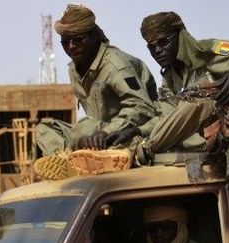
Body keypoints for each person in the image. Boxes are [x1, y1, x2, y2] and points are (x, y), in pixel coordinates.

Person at [107, 11, 229, 164]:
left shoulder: (209, 52)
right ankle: (137, 148)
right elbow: (167, 117)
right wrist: (137, 130)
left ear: (181, 37)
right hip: (193, 145)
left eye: (163, 42)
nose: (157, 50)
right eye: (151, 47)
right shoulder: (170, 78)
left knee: (199, 100)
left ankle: (142, 150)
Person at [34, 4, 158, 180]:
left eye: (77, 39)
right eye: (65, 41)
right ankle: (69, 161)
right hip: (96, 136)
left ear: (93, 36)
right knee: (45, 128)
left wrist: (106, 132)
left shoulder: (114, 66)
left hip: (125, 133)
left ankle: (92, 159)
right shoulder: (75, 69)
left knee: (84, 127)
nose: (71, 46)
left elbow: (142, 108)